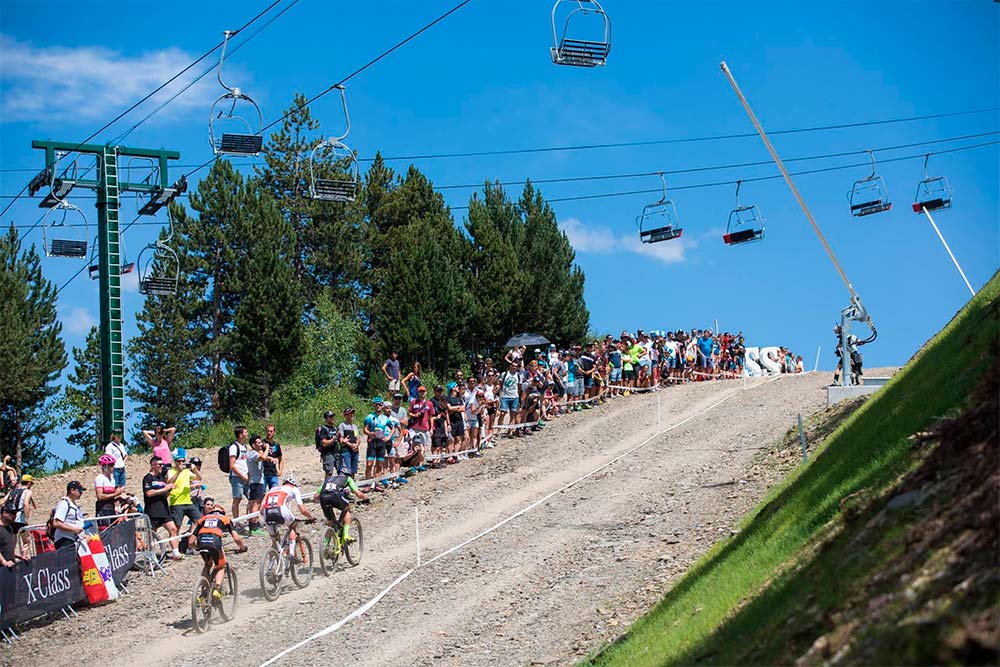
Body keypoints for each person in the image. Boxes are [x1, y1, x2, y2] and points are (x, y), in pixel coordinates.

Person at [189, 500, 246, 599]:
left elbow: (191, 542)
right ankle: (217, 590)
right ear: (222, 512)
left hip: (201, 542)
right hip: (215, 542)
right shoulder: (225, 519)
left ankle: (204, 590)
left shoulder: (203, 519)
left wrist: (198, 548)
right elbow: (236, 538)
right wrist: (243, 547)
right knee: (220, 567)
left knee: (207, 564)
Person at [261, 477, 315, 559]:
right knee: (293, 526)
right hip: (280, 510)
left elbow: (261, 511)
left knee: (275, 541)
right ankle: (291, 553)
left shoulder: (272, 489)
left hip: (267, 513)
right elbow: (302, 510)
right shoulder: (294, 489)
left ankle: (271, 564)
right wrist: (311, 518)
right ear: (294, 484)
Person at [316, 466, 368, 545]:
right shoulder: (348, 478)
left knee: (331, 522)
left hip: (323, 498)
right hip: (335, 496)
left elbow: (315, 496)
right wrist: (366, 498)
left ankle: (325, 546)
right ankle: (346, 535)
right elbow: (358, 493)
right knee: (346, 508)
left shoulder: (328, 479)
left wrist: (325, 500)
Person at [142, 457, 181, 559]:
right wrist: (164, 489)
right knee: (152, 534)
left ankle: (175, 552)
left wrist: (169, 490)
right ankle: (151, 555)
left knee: (173, 529)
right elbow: (149, 493)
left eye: (162, 464)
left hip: (164, 509)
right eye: (160, 464)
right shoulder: (148, 478)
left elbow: (165, 493)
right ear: (153, 465)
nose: (162, 466)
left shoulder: (161, 478)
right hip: (153, 510)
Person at [167, 448, 203, 547]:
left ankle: (191, 542)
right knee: (176, 527)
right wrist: (178, 471)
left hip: (188, 501)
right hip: (176, 503)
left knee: (199, 521)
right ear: (174, 461)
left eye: (183, 461)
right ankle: (175, 549)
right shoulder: (171, 471)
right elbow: (169, 482)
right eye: (179, 461)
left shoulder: (186, 471)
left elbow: (199, 478)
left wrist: (195, 469)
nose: (181, 463)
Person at [51, 481, 87, 551]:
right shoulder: (64, 504)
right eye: (79, 491)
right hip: (64, 540)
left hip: (72, 539)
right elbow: (56, 523)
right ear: (72, 490)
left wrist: (82, 535)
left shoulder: (74, 505)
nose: (81, 493)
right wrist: (74, 530)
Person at [244, 437, 268, 536]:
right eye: (258, 442)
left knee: (252, 504)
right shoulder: (253, 454)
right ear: (253, 445)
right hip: (257, 482)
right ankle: (254, 527)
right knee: (256, 504)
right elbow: (263, 458)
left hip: (254, 482)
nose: (261, 444)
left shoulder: (253, 454)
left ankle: (252, 525)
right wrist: (267, 448)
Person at [228, 426, 250, 521]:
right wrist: (242, 476)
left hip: (246, 476)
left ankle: (250, 519)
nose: (247, 434)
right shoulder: (234, 447)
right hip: (237, 477)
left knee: (252, 498)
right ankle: (236, 521)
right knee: (237, 498)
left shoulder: (244, 447)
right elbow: (232, 465)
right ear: (241, 435)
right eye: (245, 432)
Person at [95, 455, 124, 527]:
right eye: (111, 465)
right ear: (105, 466)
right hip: (102, 509)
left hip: (111, 508)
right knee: (104, 530)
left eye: (113, 465)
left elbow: (112, 497)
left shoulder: (112, 480)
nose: (113, 467)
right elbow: (100, 496)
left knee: (115, 530)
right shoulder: (100, 478)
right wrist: (116, 494)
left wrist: (119, 496)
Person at [408, 386, 434, 463]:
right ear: (418, 393)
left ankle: (420, 463)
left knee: (424, 446)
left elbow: (431, 417)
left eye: (423, 391)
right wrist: (415, 415)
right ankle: (414, 462)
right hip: (415, 427)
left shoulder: (429, 403)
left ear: (426, 392)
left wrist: (431, 428)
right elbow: (409, 412)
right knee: (414, 445)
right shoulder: (414, 402)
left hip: (425, 427)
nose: (422, 393)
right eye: (420, 391)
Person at [497, 362, 521, 435]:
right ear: (510, 366)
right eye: (513, 366)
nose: (514, 367)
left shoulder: (518, 376)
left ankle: (510, 431)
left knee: (513, 414)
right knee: (502, 413)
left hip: (515, 397)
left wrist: (519, 397)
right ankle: (498, 430)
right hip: (505, 396)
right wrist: (500, 395)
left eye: (515, 366)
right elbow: (500, 384)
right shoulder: (504, 374)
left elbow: (519, 387)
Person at [337, 408, 360, 478]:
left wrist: (356, 445)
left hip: (355, 451)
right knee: (346, 470)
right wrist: (350, 445)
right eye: (350, 414)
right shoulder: (342, 425)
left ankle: (352, 483)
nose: (352, 415)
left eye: (352, 413)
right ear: (345, 415)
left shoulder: (355, 427)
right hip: (346, 451)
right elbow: (341, 439)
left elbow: (358, 438)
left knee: (353, 470)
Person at [262, 424, 283, 490]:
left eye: (271, 431)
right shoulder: (262, 444)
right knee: (261, 493)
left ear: (274, 432)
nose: (269, 433)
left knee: (274, 492)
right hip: (263, 473)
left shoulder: (276, 445)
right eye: (268, 431)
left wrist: (280, 470)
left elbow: (280, 459)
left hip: (273, 473)